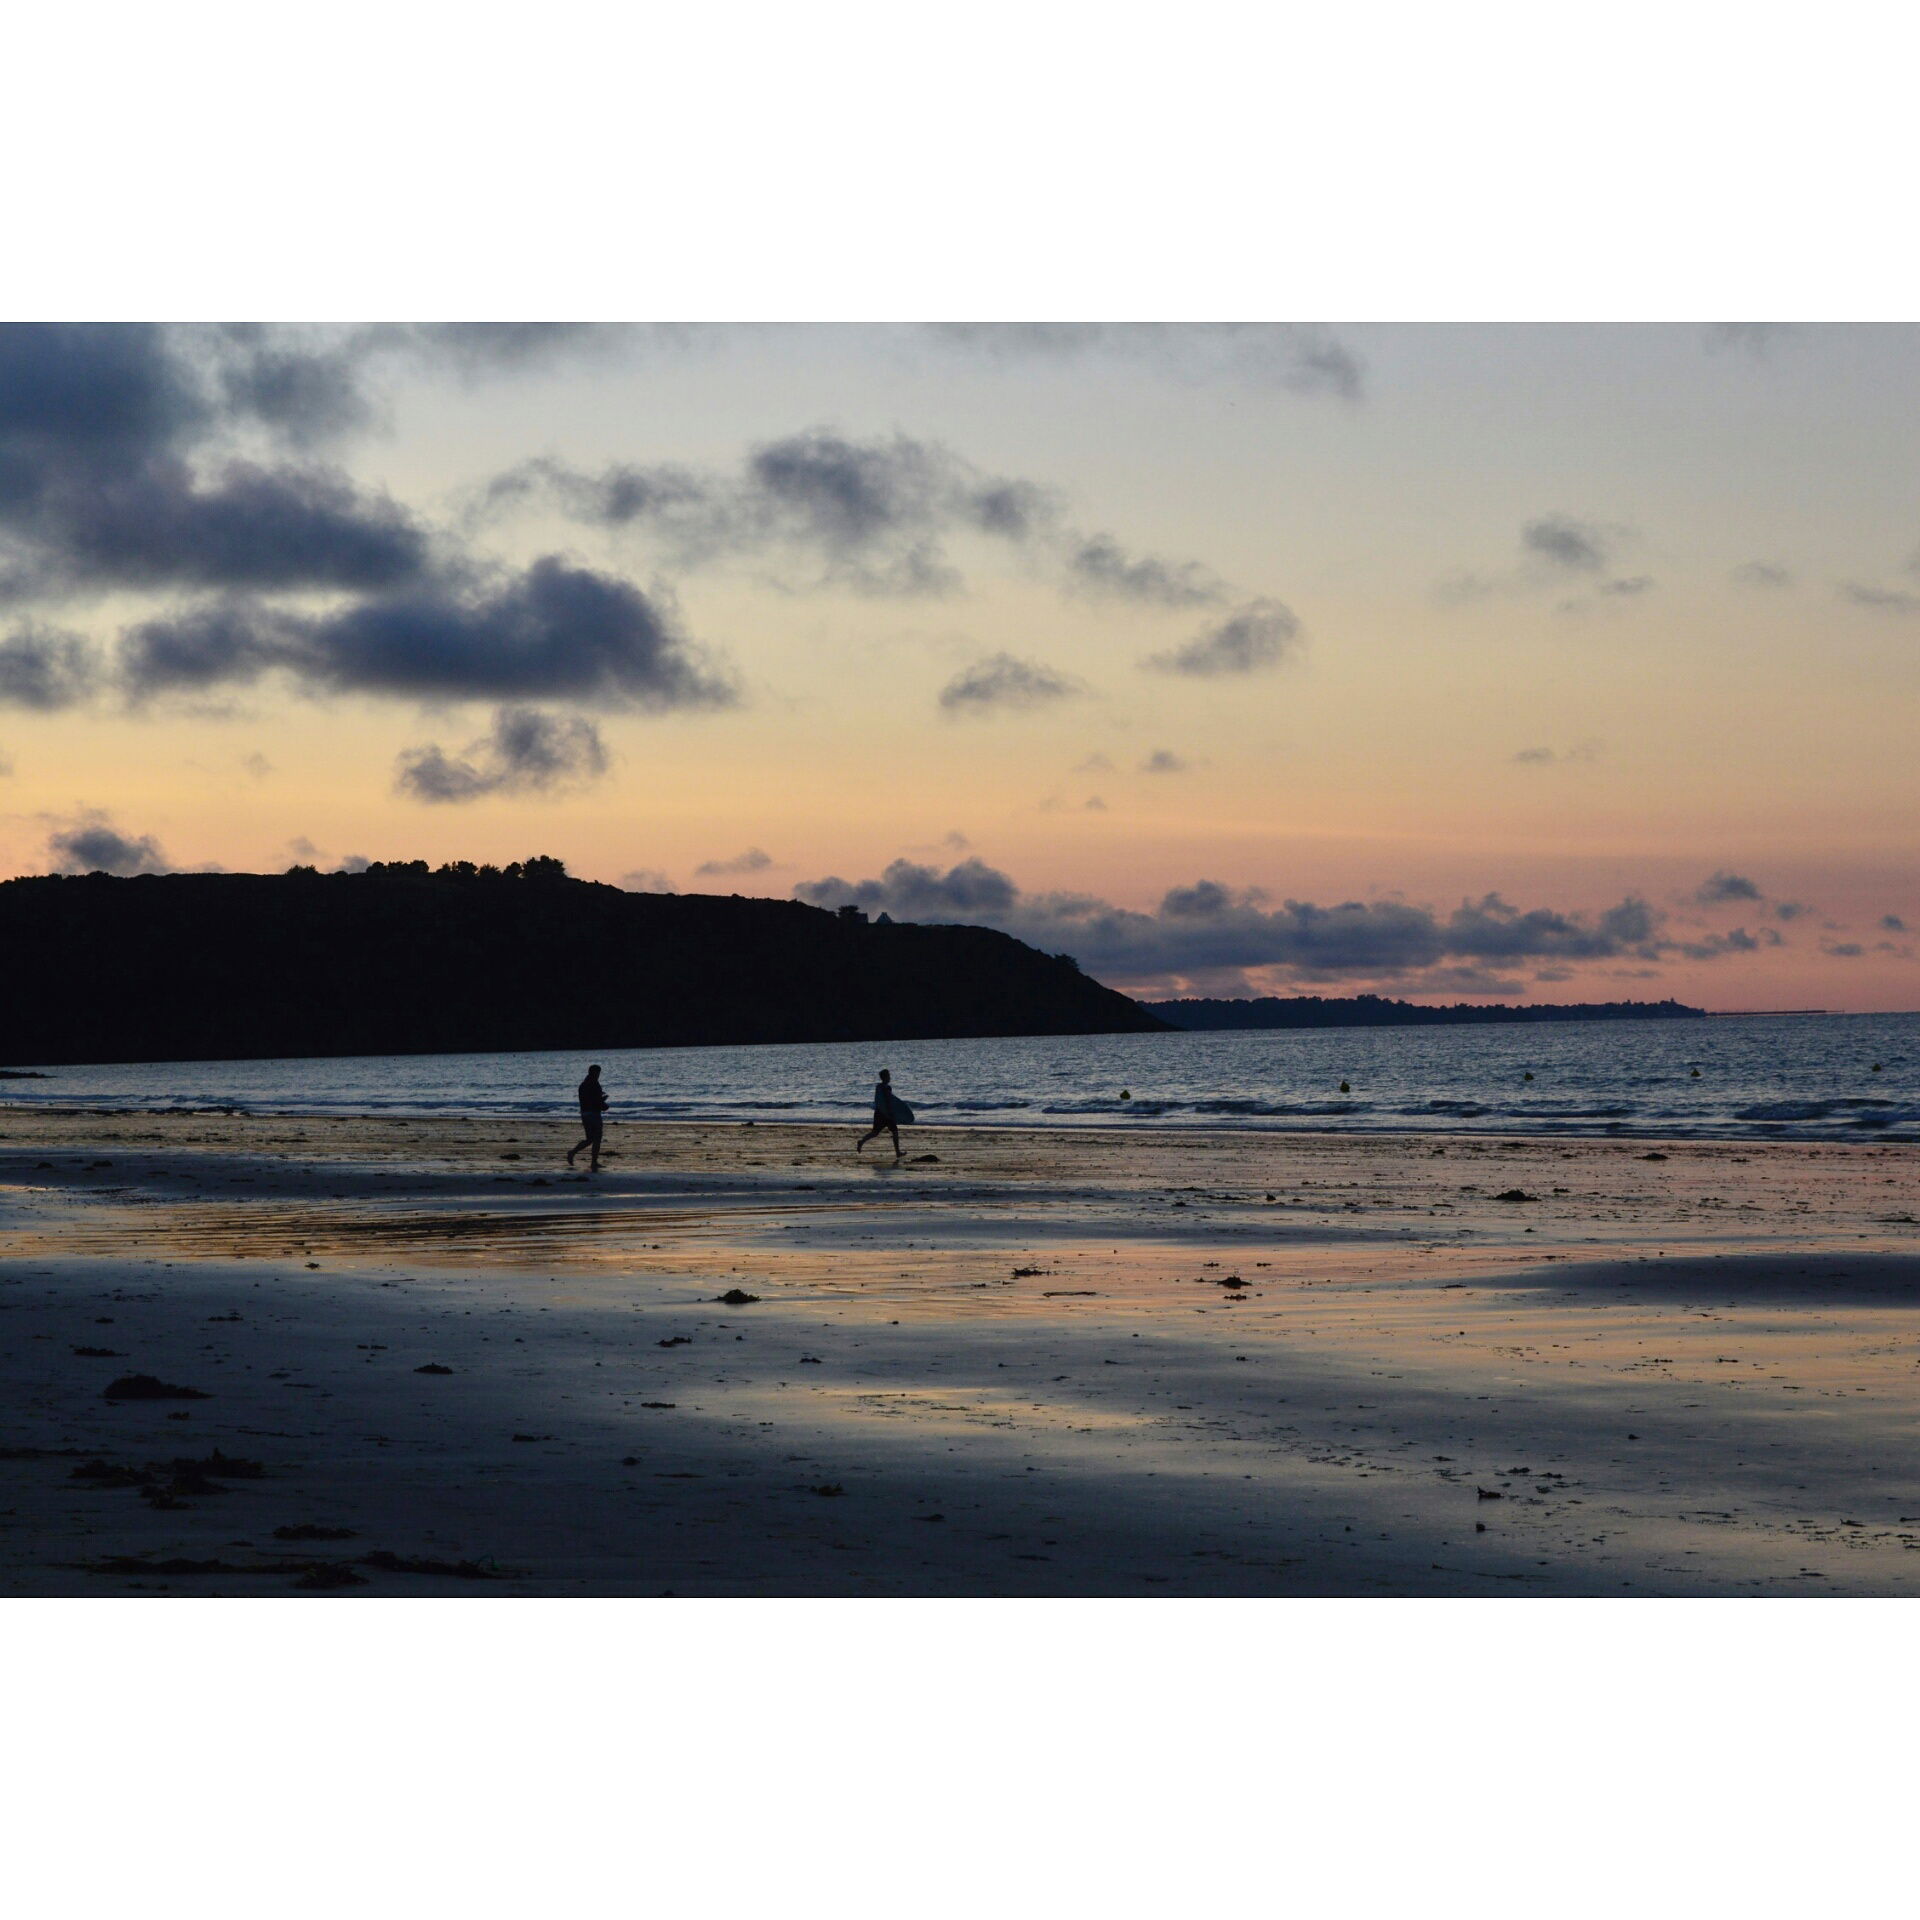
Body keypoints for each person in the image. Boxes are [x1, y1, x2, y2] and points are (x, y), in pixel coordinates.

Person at [856, 1067, 909, 1160]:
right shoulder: (887, 1088)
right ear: (885, 1077)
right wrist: (890, 1113)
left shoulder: (878, 1087)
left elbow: (879, 1101)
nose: (890, 1077)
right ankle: (897, 1152)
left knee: (875, 1132)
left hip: (879, 1113)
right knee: (895, 1132)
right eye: (889, 1076)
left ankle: (862, 1141)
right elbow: (888, 1101)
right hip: (886, 1115)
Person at [567, 1064, 609, 1171]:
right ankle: (593, 1162)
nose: (599, 1075)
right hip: (593, 1114)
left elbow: (587, 1100)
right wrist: (604, 1104)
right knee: (597, 1138)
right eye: (598, 1072)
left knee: (590, 1139)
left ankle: (573, 1152)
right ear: (594, 1072)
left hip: (585, 1114)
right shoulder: (594, 1084)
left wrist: (600, 1100)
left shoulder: (583, 1084)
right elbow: (595, 1101)